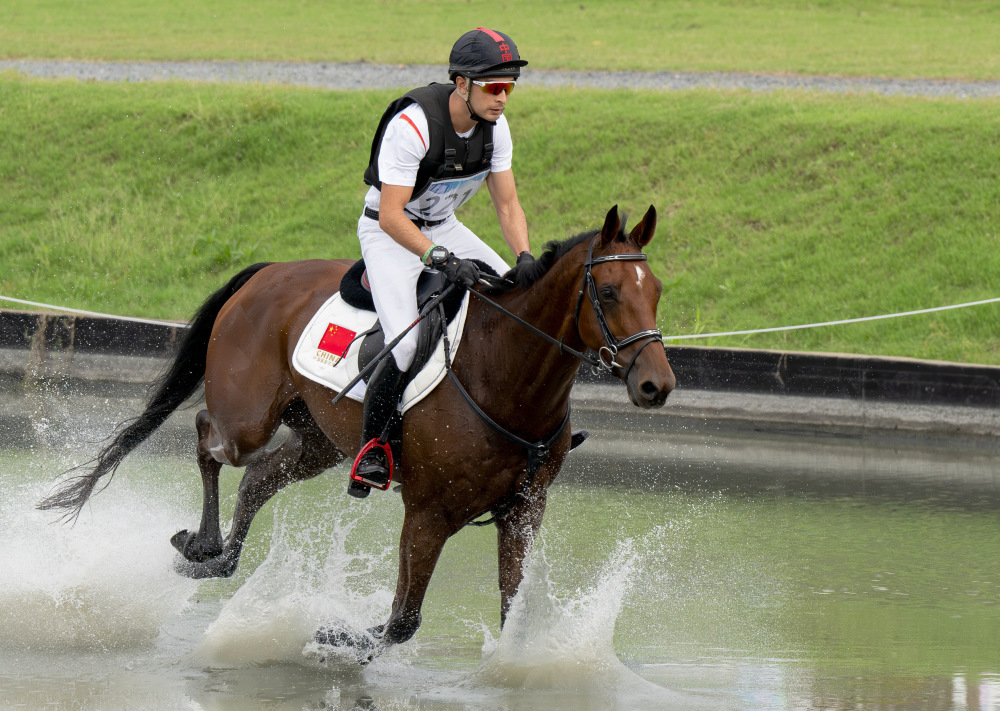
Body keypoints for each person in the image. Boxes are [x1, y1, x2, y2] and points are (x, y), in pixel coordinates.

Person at [349, 28, 534, 497]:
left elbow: (508, 207)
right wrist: (439, 259)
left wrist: (524, 257)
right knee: (407, 345)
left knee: (513, 306)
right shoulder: (412, 126)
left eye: (509, 87)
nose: (502, 98)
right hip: (390, 232)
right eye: (494, 87)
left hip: (443, 226)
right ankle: (375, 447)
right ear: (461, 84)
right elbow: (391, 215)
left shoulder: (497, 128)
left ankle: (525, 427)